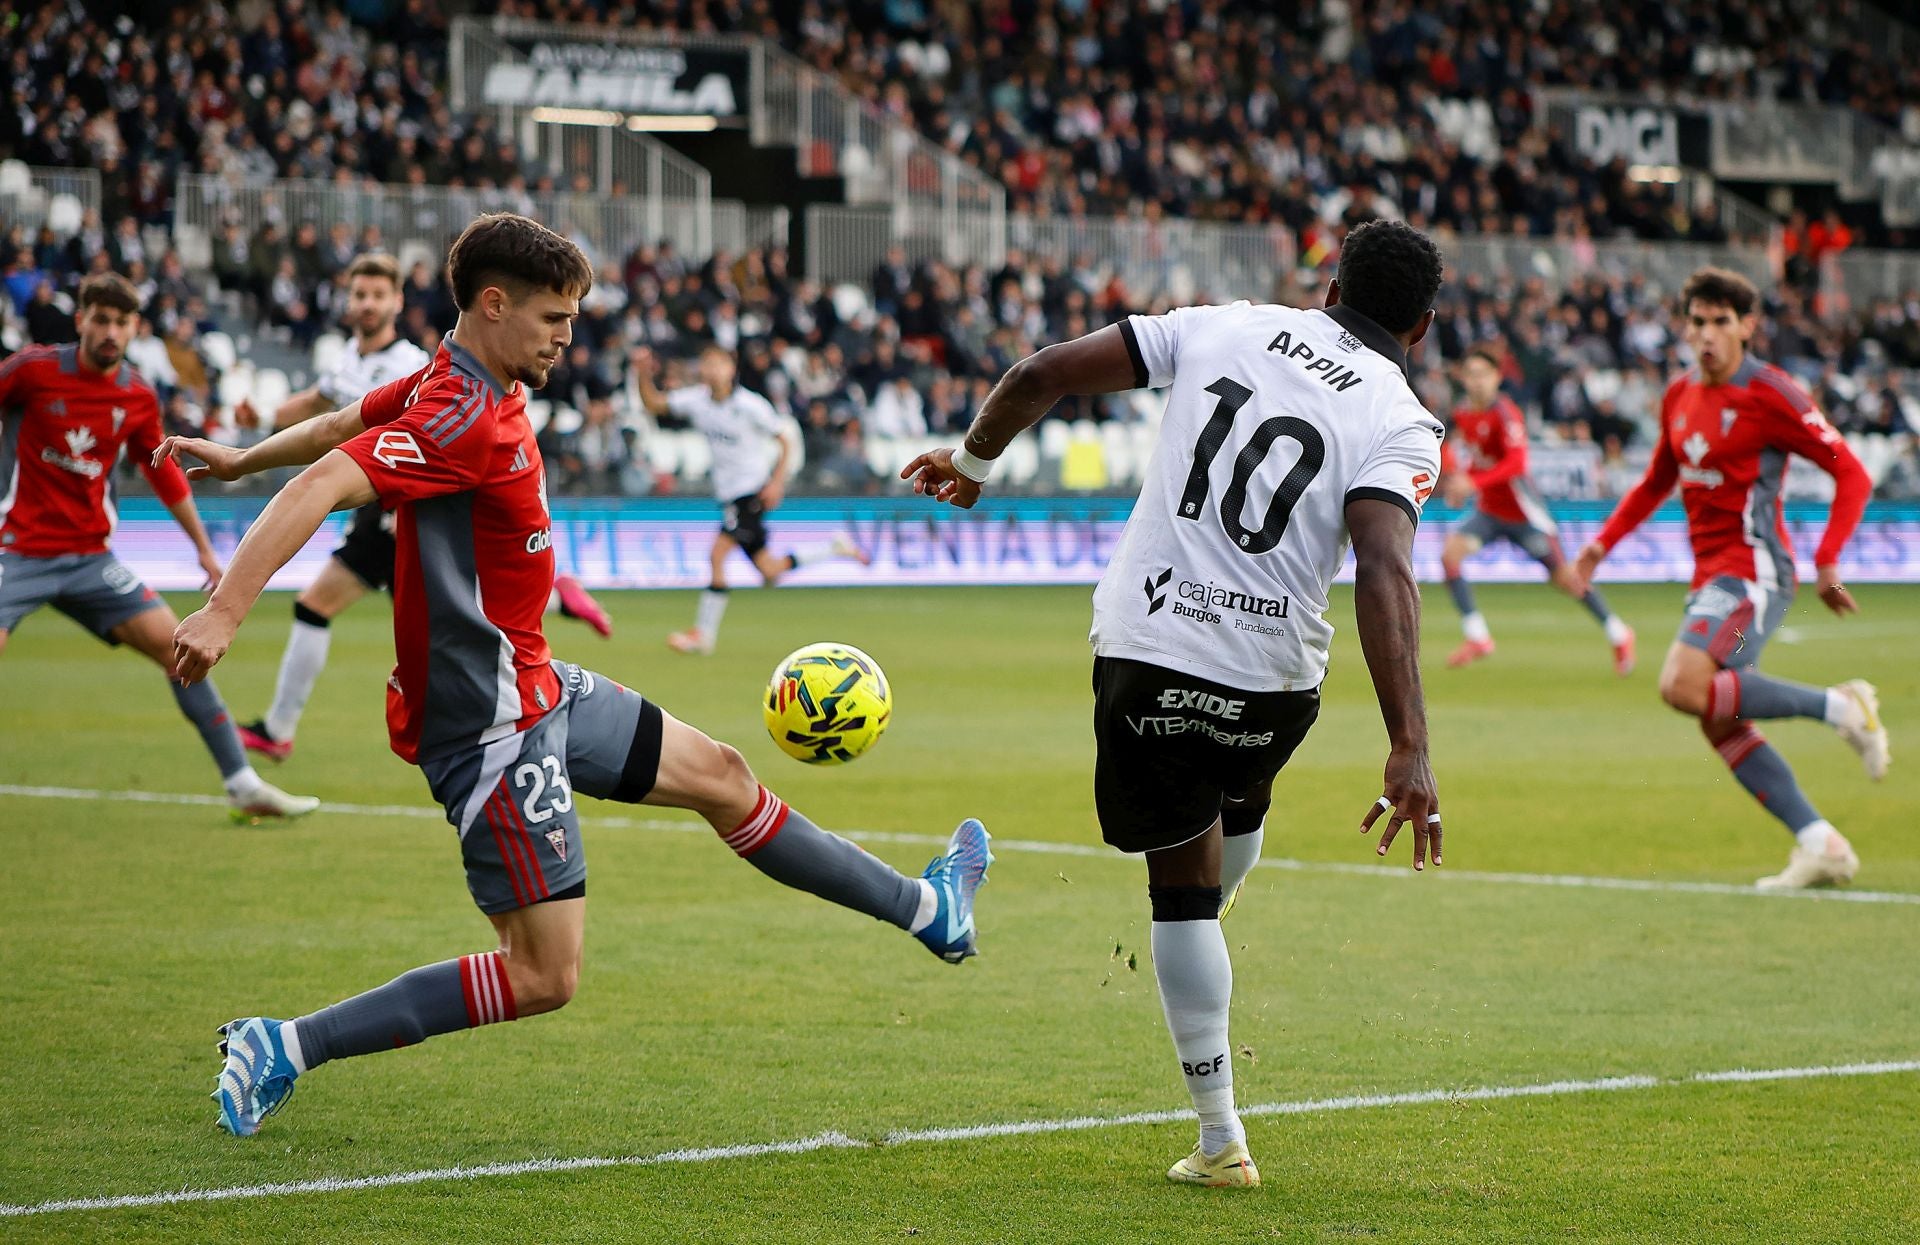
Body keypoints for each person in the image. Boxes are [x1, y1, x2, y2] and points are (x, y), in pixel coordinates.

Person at [156, 214, 991, 1137]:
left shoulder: (462, 379)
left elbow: (345, 420)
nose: (568, 334)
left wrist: (241, 456)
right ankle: (286, 1044)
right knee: (542, 974)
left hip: (540, 681)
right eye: (554, 315)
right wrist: (228, 606)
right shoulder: (457, 411)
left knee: (722, 774)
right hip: (491, 722)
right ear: (493, 303)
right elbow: (324, 483)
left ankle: (929, 910)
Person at [902, 219, 1447, 1188]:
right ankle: (1199, 945)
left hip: (1150, 652)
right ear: (1425, 326)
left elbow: (1041, 374)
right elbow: (1385, 568)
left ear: (1328, 287)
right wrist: (1410, 741)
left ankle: (1218, 1135)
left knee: (1182, 898)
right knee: (1226, 822)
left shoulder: (1224, 326)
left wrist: (975, 464)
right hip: (1277, 682)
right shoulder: (1401, 417)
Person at [1568, 268, 1887, 890]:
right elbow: (1658, 478)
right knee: (1718, 715)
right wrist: (1599, 546)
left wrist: (1828, 561)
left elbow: (1852, 473)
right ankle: (1820, 843)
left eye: (1721, 322)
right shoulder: (1680, 396)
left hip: (1753, 571)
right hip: (1711, 575)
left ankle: (1842, 707)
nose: (1707, 335)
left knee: (1683, 685)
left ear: (1748, 326)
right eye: (1697, 322)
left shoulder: (1772, 393)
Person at [233, 253, 612, 762]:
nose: (366, 304)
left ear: (395, 302)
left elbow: (427, 437)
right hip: (375, 500)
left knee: (329, 607)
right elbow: (320, 411)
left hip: (399, 503)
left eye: (377, 295)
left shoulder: (417, 365)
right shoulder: (348, 358)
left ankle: (280, 727)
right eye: (359, 295)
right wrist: (258, 421)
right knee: (447, 614)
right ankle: (559, 597)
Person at [0, 272, 315, 821]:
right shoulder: (33, 371)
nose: (110, 332)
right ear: (81, 321)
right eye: (100, 319)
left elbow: (166, 475)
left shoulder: (137, 393)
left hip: (90, 560)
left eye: (121, 323)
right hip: (18, 552)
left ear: (134, 329)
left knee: (181, 651)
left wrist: (203, 549)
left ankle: (242, 783)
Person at [633, 344, 868, 655]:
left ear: (731, 369)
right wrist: (642, 372)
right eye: (707, 363)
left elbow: (785, 440)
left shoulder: (750, 405)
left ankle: (703, 636)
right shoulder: (697, 401)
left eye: (719, 363)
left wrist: (776, 482)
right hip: (729, 495)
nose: (712, 369)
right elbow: (654, 404)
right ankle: (834, 548)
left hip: (750, 491)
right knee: (769, 571)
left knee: (717, 555)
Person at [1438, 347, 1635, 673]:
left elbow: (1517, 463)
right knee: (1450, 556)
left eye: (1482, 374)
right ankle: (1478, 637)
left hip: (1525, 515)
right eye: (1470, 374)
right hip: (1489, 513)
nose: (1476, 381)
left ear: (1497, 378)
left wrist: (1473, 483)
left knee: (1566, 580)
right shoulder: (1463, 413)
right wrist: (1461, 481)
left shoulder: (1506, 414)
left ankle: (1619, 632)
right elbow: (1471, 457)